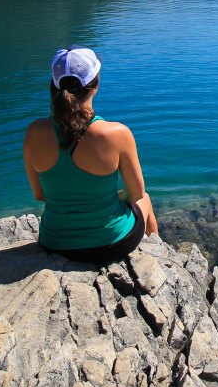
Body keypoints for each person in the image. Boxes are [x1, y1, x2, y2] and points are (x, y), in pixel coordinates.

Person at [23, 45, 158, 263]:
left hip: (54, 244)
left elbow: (40, 195)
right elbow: (136, 193)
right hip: (111, 242)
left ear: (54, 86)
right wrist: (109, 200)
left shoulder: (34, 132)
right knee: (146, 200)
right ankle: (158, 257)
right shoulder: (116, 134)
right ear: (95, 86)